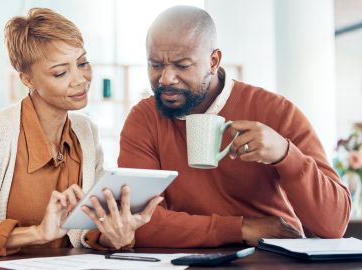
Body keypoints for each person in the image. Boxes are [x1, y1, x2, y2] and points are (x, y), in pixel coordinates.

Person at [0, 8, 160, 257]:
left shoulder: (86, 132)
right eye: (61, 72)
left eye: (83, 63)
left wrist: (112, 236)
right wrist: (37, 233)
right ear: (27, 80)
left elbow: (85, 227)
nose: (81, 79)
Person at [117, 5, 351, 248]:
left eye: (182, 65)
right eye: (155, 65)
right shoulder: (143, 118)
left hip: (272, 258)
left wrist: (285, 154)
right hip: (185, 260)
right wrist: (241, 228)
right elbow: (137, 222)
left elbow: (333, 224)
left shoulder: (276, 111)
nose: (165, 79)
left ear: (213, 61)